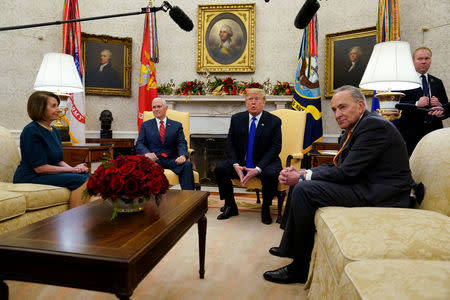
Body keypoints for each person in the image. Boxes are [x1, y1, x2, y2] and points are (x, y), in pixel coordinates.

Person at [263, 85, 413, 284]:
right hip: (365, 184)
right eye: (334, 110)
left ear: (360, 105)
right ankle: (290, 245)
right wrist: (304, 172)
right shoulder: (356, 127)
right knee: (302, 184)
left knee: (304, 189)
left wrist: (301, 177)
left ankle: (299, 268)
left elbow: (346, 172)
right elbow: (341, 167)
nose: (337, 114)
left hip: (383, 194)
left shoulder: (374, 127)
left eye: (342, 107)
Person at [214, 88, 282, 224]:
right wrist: (235, 164)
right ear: (246, 103)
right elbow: (230, 144)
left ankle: (265, 207)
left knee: (270, 174)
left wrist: (258, 168)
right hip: (242, 162)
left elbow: (275, 148)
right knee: (220, 168)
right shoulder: (237, 119)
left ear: (264, 102)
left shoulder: (274, 121)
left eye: (257, 99)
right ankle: (230, 205)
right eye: (250, 99)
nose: (253, 102)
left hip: (265, 162)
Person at [13, 91, 90, 208]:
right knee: (81, 180)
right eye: (53, 106)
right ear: (40, 108)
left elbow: (58, 161)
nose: (58, 110)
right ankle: (76, 220)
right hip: (30, 176)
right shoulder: (31, 131)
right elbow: (40, 168)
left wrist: (75, 169)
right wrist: (72, 170)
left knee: (89, 176)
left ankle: (85, 217)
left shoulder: (54, 130)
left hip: (45, 173)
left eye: (57, 106)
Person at [395, 47, 448, 155]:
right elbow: (396, 105)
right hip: (410, 134)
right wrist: (416, 104)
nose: (424, 62)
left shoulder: (437, 82)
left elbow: (447, 109)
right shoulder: (403, 80)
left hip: (434, 132)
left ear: (430, 61)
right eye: (420, 59)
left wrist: (440, 105)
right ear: (413, 61)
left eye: (427, 58)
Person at [135, 98, 195, 190]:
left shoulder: (176, 125)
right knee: (142, 166)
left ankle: (189, 198)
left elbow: (181, 142)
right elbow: (139, 144)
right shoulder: (145, 125)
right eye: (154, 107)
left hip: (172, 159)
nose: (156, 109)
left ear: (166, 108)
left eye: (159, 106)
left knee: (187, 165)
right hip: (154, 160)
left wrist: (182, 155)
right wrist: (147, 153)